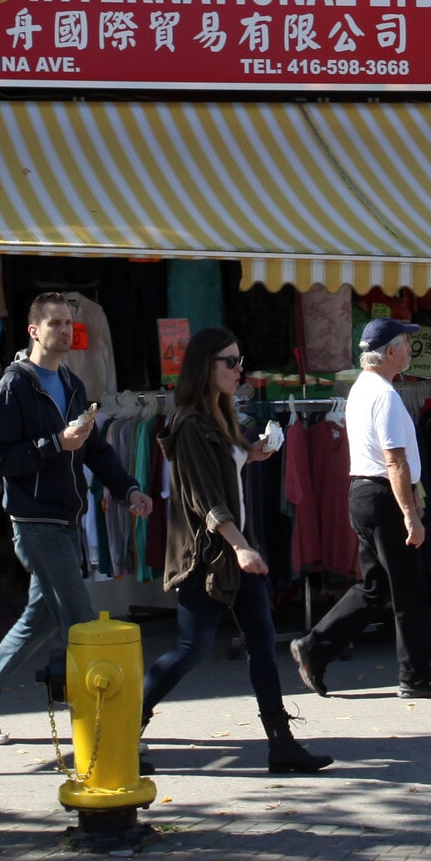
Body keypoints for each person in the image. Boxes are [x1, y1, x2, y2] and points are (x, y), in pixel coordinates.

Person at [0, 293, 153, 744]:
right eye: (56, 324)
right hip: (34, 522)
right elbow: (0, 460)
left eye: (69, 324)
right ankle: (106, 726)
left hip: (65, 519)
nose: (65, 332)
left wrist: (129, 488)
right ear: (34, 331)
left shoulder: (71, 381)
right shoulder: (13, 387)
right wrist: (54, 445)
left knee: (39, 620)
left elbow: (95, 448)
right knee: (82, 624)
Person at [141, 327, 332, 775]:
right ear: (205, 367)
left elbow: (226, 465)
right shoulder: (189, 424)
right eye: (230, 361)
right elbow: (206, 499)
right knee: (191, 648)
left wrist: (252, 453)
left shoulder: (220, 414)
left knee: (262, 642)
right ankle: (121, 726)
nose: (238, 369)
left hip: (234, 551)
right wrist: (242, 548)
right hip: (208, 556)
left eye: (239, 360)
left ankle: (281, 744)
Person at [290, 317, 431, 699]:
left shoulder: (364, 389)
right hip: (382, 496)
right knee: (409, 590)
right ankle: (416, 675)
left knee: (374, 586)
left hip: (365, 493)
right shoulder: (383, 395)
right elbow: (395, 460)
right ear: (390, 352)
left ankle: (315, 648)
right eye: (405, 344)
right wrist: (410, 514)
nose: (410, 350)